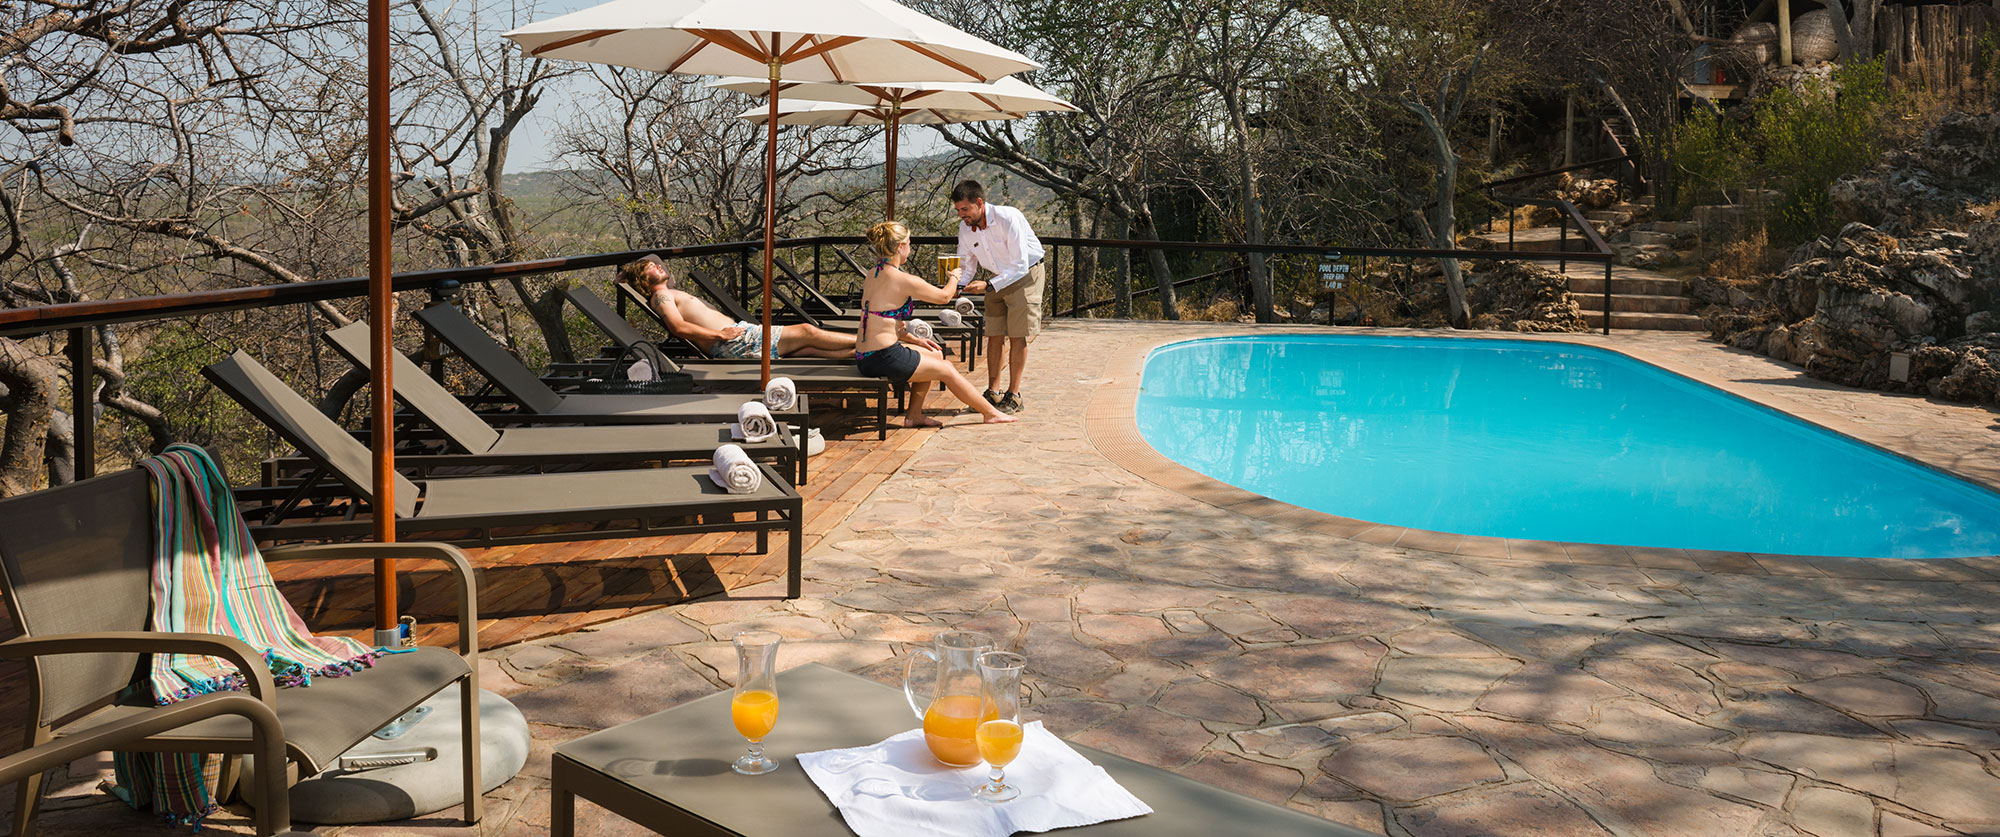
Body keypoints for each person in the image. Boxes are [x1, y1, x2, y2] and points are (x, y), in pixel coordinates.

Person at [855, 221, 1017, 426]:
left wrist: (915, 340)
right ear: (900, 247)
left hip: (865, 355)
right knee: (946, 368)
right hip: (882, 357)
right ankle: (990, 413)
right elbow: (943, 297)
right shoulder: (901, 279)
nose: (910, 249)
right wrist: (953, 277)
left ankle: (914, 416)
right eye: (909, 244)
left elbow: (883, 320)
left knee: (935, 353)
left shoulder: (874, 273)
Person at [618, 254, 855, 359]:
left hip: (739, 337)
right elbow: (678, 328)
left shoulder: (667, 293)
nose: (659, 267)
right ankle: (866, 341)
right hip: (734, 342)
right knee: (807, 331)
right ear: (642, 278)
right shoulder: (661, 298)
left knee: (806, 349)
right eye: (651, 266)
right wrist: (720, 333)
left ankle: (862, 354)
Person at [948, 179, 1044, 415]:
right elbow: (967, 264)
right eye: (958, 210)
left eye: (965, 209)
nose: (962, 215)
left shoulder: (1008, 217)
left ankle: (1014, 395)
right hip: (996, 279)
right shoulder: (965, 228)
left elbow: (1020, 264)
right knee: (994, 334)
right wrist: (957, 286)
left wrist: (989, 285)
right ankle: (992, 392)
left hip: (1025, 275)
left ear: (979, 203)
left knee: (1017, 335)